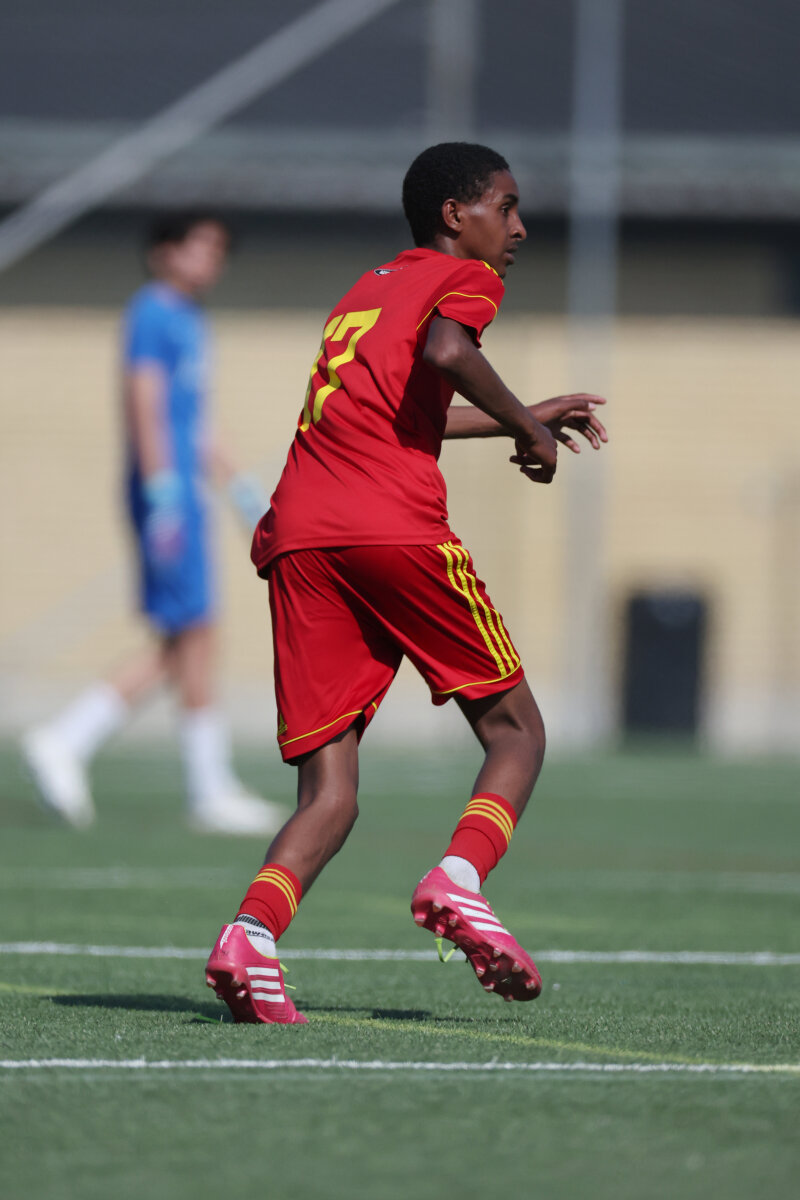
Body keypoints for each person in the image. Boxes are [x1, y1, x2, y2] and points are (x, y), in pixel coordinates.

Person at [205, 143, 608, 1021]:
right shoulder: (464, 279)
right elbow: (449, 348)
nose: (519, 228)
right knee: (517, 732)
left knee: (332, 793)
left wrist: (521, 414)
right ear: (455, 215)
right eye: (506, 206)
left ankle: (251, 937)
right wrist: (529, 433)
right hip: (388, 526)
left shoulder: (369, 288)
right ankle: (459, 877)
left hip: (300, 537)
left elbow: (400, 405)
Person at [22, 212, 286, 836]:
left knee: (189, 637)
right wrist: (163, 490)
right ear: (164, 250)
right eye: (200, 245)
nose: (212, 258)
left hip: (188, 491)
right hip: (166, 491)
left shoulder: (191, 320)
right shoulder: (152, 312)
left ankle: (90, 746)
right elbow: (144, 403)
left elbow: (195, 419)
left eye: (219, 249)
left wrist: (239, 487)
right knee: (192, 632)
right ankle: (189, 781)